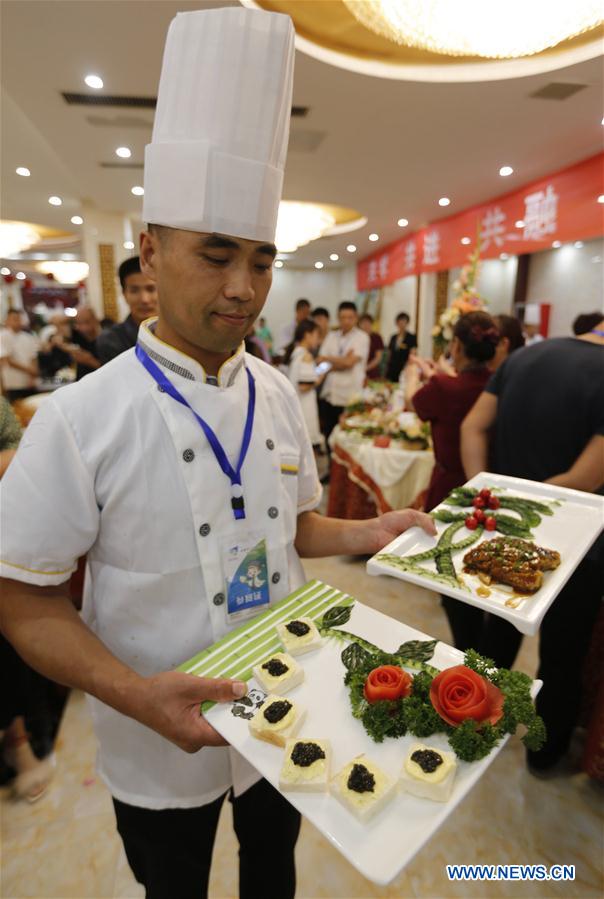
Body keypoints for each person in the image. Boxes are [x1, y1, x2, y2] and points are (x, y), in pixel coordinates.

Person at [0, 10, 435, 899]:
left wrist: (368, 531)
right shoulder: (80, 416)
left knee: (273, 872)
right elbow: (18, 592)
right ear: (151, 255)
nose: (245, 288)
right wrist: (135, 694)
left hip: (287, 707)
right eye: (218, 254)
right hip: (156, 734)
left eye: (264, 261)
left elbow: (296, 525)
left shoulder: (275, 391)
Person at [461, 318, 604, 772]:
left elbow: (473, 427)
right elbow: (585, 479)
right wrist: (530, 513)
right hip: (578, 545)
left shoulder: (524, 357)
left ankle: (470, 720)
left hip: (507, 530)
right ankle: (545, 753)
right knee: (562, 653)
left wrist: (487, 497)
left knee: (496, 631)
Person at [318, 301, 370, 444]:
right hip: (330, 394)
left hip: (350, 396)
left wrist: (330, 360)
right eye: (343, 317)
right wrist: (341, 361)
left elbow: (349, 363)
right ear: (338, 318)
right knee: (329, 435)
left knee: (349, 438)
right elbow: (320, 363)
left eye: (350, 317)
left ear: (356, 318)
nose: (346, 321)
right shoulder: (331, 336)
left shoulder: (362, 337)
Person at [95, 256, 158, 364]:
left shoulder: (179, 334)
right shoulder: (111, 340)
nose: (144, 299)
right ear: (124, 294)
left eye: (151, 289)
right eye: (134, 291)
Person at [284, 320, 324, 447]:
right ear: (308, 335)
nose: (318, 341)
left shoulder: (295, 353)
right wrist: (320, 378)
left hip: (295, 407)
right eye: (317, 336)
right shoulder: (306, 356)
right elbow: (304, 386)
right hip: (305, 408)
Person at [0, 309, 40, 402]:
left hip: (29, 383)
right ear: (7, 320)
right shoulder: (3, 336)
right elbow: (7, 360)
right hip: (13, 383)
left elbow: (33, 358)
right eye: (14, 319)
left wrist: (33, 376)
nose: (17, 321)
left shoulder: (28, 337)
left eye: (19, 319)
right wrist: (30, 371)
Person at [69, 307, 103, 380]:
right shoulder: (80, 338)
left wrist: (90, 361)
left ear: (95, 320)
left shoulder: (106, 341)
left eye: (85, 322)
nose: (80, 327)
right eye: (78, 323)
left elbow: (112, 371)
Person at [386, 312, 417, 382]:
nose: (402, 323)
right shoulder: (393, 337)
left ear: (407, 323)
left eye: (404, 321)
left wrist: (408, 367)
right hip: (392, 368)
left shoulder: (411, 337)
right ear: (397, 323)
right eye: (400, 321)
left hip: (404, 367)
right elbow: (389, 353)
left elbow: (413, 354)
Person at [359, 313, 384, 379]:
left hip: (372, 371)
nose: (365, 325)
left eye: (368, 323)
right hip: (357, 371)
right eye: (363, 323)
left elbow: (378, 358)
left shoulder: (377, 337)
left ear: (371, 324)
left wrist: (366, 368)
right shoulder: (357, 338)